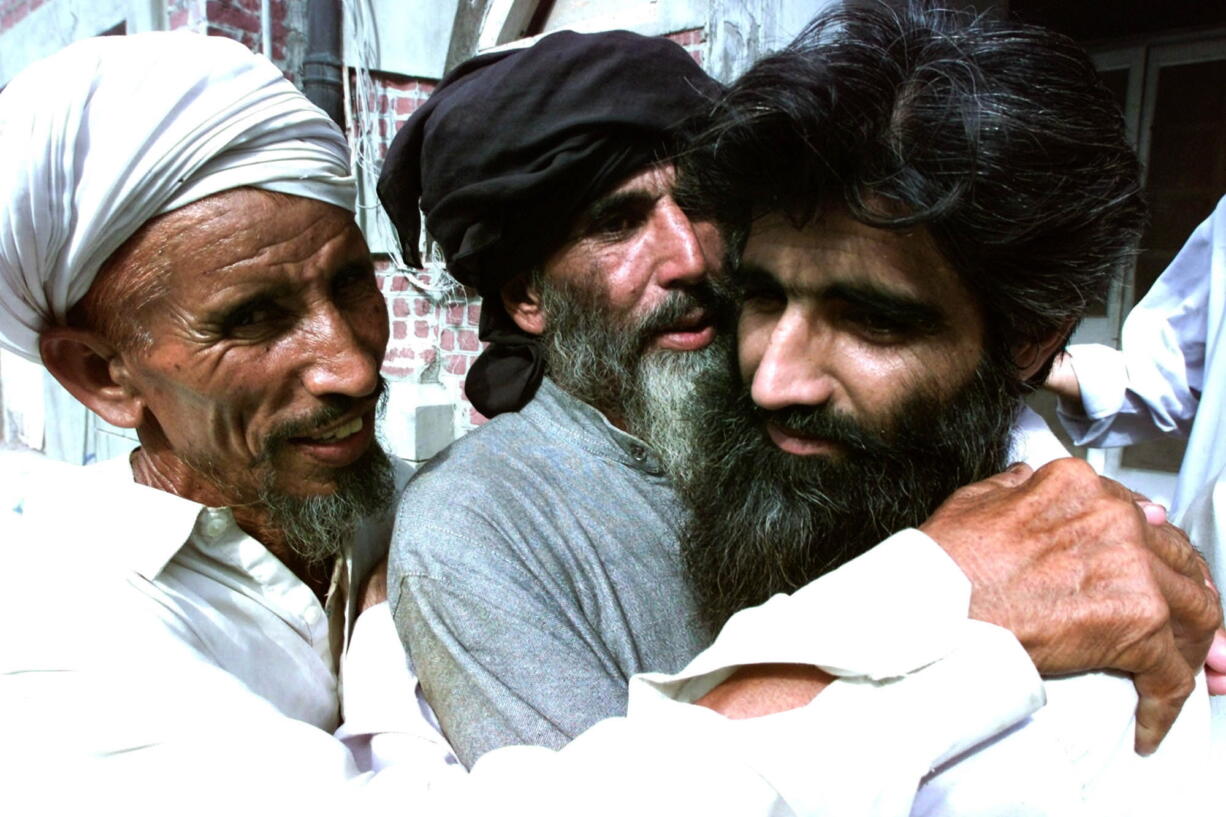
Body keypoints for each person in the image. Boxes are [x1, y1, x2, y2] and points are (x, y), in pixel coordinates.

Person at [3, 29, 1157, 817]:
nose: (353, 362)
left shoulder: (359, 505)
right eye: (253, 318)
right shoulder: (48, 641)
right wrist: (937, 598)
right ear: (102, 377)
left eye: (350, 284)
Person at [377, 19, 1221, 782]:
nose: (691, 259)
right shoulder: (482, 519)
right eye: (618, 222)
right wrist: (940, 589)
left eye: (702, 209)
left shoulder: (877, 441)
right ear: (527, 295)